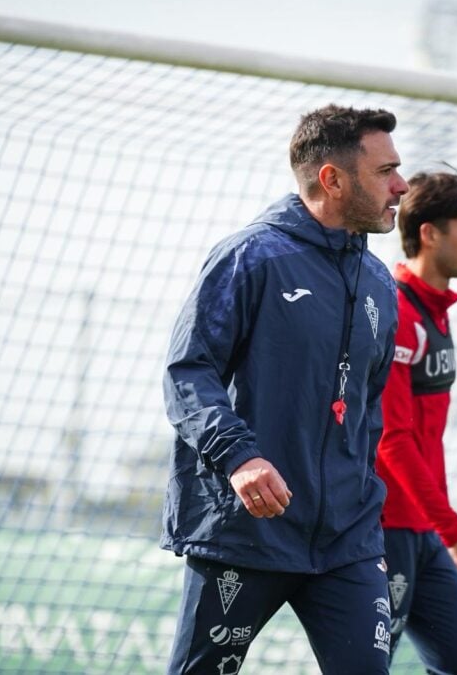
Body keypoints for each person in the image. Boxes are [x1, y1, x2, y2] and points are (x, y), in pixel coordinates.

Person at [161, 104, 410, 674]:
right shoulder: (251, 257)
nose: (400, 185)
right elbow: (188, 372)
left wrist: (362, 495)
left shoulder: (379, 282)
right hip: (247, 530)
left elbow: (366, 410)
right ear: (332, 179)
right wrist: (239, 458)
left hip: (347, 540)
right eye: (385, 171)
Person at [376, 170, 457, 674]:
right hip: (384, 530)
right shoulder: (398, 312)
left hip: (423, 529)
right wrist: (453, 529)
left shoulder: (435, 311)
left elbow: (428, 438)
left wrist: (440, 524)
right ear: (429, 233)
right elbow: (392, 440)